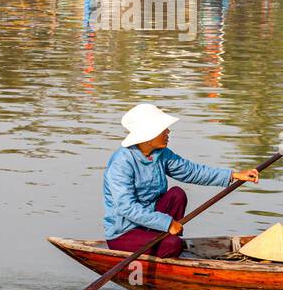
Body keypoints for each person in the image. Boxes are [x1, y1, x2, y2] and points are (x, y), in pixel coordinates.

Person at [104, 104, 259, 258]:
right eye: (163, 129)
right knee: (174, 245)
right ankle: (167, 245)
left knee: (177, 194)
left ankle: (163, 241)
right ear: (148, 135)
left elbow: (191, 171)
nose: (168, 132)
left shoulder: (160, 153)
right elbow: (127, 208)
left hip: (152, 224)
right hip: (124, 232)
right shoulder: (121, 163)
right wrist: (167, 223)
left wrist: (234, 175)